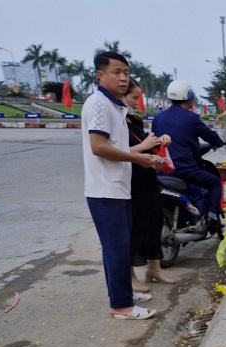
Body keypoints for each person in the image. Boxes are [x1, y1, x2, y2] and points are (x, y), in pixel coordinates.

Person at [81, 51, 163, 320]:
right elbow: (99, 147)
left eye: (126, 72)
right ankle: (121, 307)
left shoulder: (115, 106)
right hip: (105, 189)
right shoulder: (100, 105)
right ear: (100, 74)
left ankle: (123, 294)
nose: (123, 78)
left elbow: (118, 147)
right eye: (116, 72)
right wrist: (137, 158)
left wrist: (144, 154)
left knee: (120, 246)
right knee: (116, 249)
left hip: (118, 187)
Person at [124, 78, 176, 291]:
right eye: (134, 98)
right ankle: (131, 274)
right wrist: (143, 146)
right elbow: (114, 151)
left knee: (155, 221)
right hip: (131, 181)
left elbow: (146, 145)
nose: (137, 102)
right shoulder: (117, 123)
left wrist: (159, 141)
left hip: (148, 179)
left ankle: (154, 268)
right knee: (136, 228)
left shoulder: (134, 121)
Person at [152, 80, 226, 226]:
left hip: (162, 171)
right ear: (191, 99)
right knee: (215, 182)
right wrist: (220, 143)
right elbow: (210, 136)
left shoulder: (157, 119)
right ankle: (211, 215)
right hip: (186, 170)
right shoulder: (191, 118)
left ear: (169, 99)